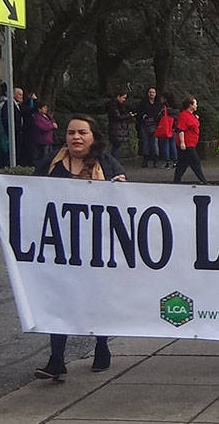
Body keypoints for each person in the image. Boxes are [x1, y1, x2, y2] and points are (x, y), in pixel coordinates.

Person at [32, 114, 126, 381]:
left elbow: (126, 203)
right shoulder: (51, 163)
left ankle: (101, 346)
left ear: (93, 136)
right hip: (59, 245)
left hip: (96, 245)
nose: (76, 137)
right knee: (58, 299)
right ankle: (56, 359)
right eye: (71, 132)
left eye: (82, 132)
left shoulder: (106, 164)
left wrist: (122, 188)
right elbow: (29, 192)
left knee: (96, 298)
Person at [173, 96, 208, 184]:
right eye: (195, 103)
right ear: (190, 105)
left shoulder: (191, 116)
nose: (196, 105)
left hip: (191, 143)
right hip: (187, 144)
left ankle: (176, 180)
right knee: (195, 162)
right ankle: (203, 180)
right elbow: (181, 129)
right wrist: (182, 142)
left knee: (183, 163)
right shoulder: (183, 115)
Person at [135, 87, 164, 168]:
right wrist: (143, 116)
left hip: (155, 125)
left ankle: (156, 160)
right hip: (145, 125)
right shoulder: (143, 103)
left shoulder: (158, 104)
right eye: (150, 92)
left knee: (154, 143)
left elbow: (161, 114)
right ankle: (145, 160)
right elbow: (138, 112)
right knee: (145, 142)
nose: (151, 94)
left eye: (153, 92)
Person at [106, 91, 133, 159]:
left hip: (118, 129)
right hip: (116, 129)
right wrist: (128, 115)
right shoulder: (113, 105)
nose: (124, 100)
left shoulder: (117, 105)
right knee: (115, 147)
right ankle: (112, 161)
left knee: (116, 146)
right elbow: (117, 117)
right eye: (123, 98)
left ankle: (112, 161)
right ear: (118, 97)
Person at [155, 91, 178, 169]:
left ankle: (167, 161)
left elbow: (158, 118)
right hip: (173, 128)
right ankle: (175, 161)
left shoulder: (164, 109)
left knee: (165, 144)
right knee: (173, 144)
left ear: (165, 99)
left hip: (165, 128)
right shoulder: (176, 109)